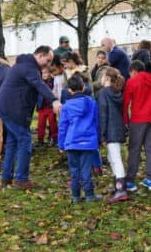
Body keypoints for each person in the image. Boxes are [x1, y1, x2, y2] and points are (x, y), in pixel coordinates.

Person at [0, 46, 60, 189]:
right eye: (47, 60)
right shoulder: (29, 67)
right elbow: (39, 84)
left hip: (6, 107)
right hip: (13, 109)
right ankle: (21, 179)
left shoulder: (23, 64)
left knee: (12, 142)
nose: (48, 64)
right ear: (40, 55)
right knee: (25, 140)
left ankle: (6, 178)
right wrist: (53, 100)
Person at [58, 73, 102, 203]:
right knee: (86, 170)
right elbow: (96, 122)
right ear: (83, 87)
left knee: (74, 170)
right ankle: (89, 195)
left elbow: (62, 127)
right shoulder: (92, 103)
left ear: (69, 90)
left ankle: (75, 196)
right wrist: (98, 139)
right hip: (88, 142)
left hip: (71, 142)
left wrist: (61, 144)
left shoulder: (66, 106)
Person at [123, 60, 151, 192]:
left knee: (135, 149)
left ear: (133, 71)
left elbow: (126, 102)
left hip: (138, 119)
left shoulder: (132, 81)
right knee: (150, 149)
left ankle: (130, 181)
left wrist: (125, 121)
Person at [97, 67, 128, 203]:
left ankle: (121, 190)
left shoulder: (104, 93)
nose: (101, 79)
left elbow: (103, 114)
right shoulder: (118, 92)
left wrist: (102, 135)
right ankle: (118, 185)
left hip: (110, 130)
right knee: (113, 157)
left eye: (103, 76)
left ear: (107, 78)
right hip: (118, 128)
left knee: (115, 158)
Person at [36, 66, 58, 147]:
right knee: (41, 124)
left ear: (49, 73)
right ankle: (40, 139)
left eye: (46, 72)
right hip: (42, 107)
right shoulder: (39, 82)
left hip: (50, 106)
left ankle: (55, 138)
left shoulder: (52, 81)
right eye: (42, 73)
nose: (44, 74)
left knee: (52, 122)